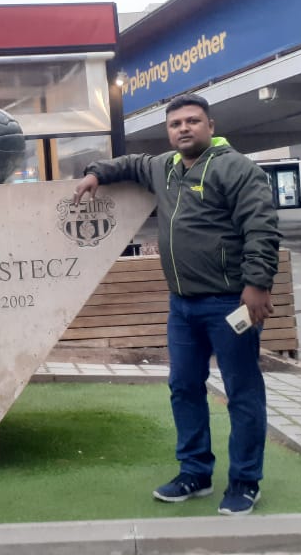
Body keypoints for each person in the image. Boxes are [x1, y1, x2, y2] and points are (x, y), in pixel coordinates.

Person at [73, 94, 280, 516]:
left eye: (192, 121)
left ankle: (245, 481)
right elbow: (131, 164)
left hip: (229, 303)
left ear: (210, 126)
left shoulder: (237, 169)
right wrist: (96, 173)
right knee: (184, 388)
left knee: (242, 392)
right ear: (169, 132)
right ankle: (195, 473)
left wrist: (257, 284)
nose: (183, 128)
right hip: (182, 307)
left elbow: (261, 227)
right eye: (175, 124)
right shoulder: (164, 167)